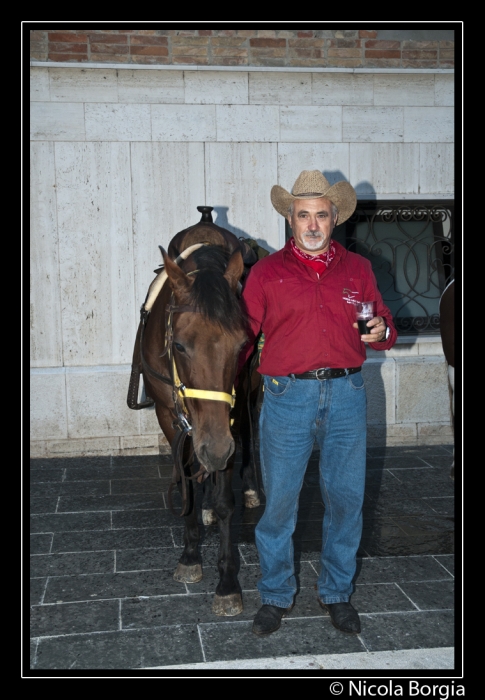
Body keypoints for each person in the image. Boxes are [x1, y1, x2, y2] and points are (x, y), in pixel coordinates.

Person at [238, 170, 397, 636]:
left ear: (334, 219)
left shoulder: (358, 270)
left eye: (321, 216)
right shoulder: (266, 273)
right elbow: (243, 338)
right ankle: (275, 594)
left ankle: (336, 592)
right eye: (303, 215)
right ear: (291, 219)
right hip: (287, 397)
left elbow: (383, 323)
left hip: (347, 395)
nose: (312, 224)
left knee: (346, 501)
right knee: (280, 506)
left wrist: (382, 331)